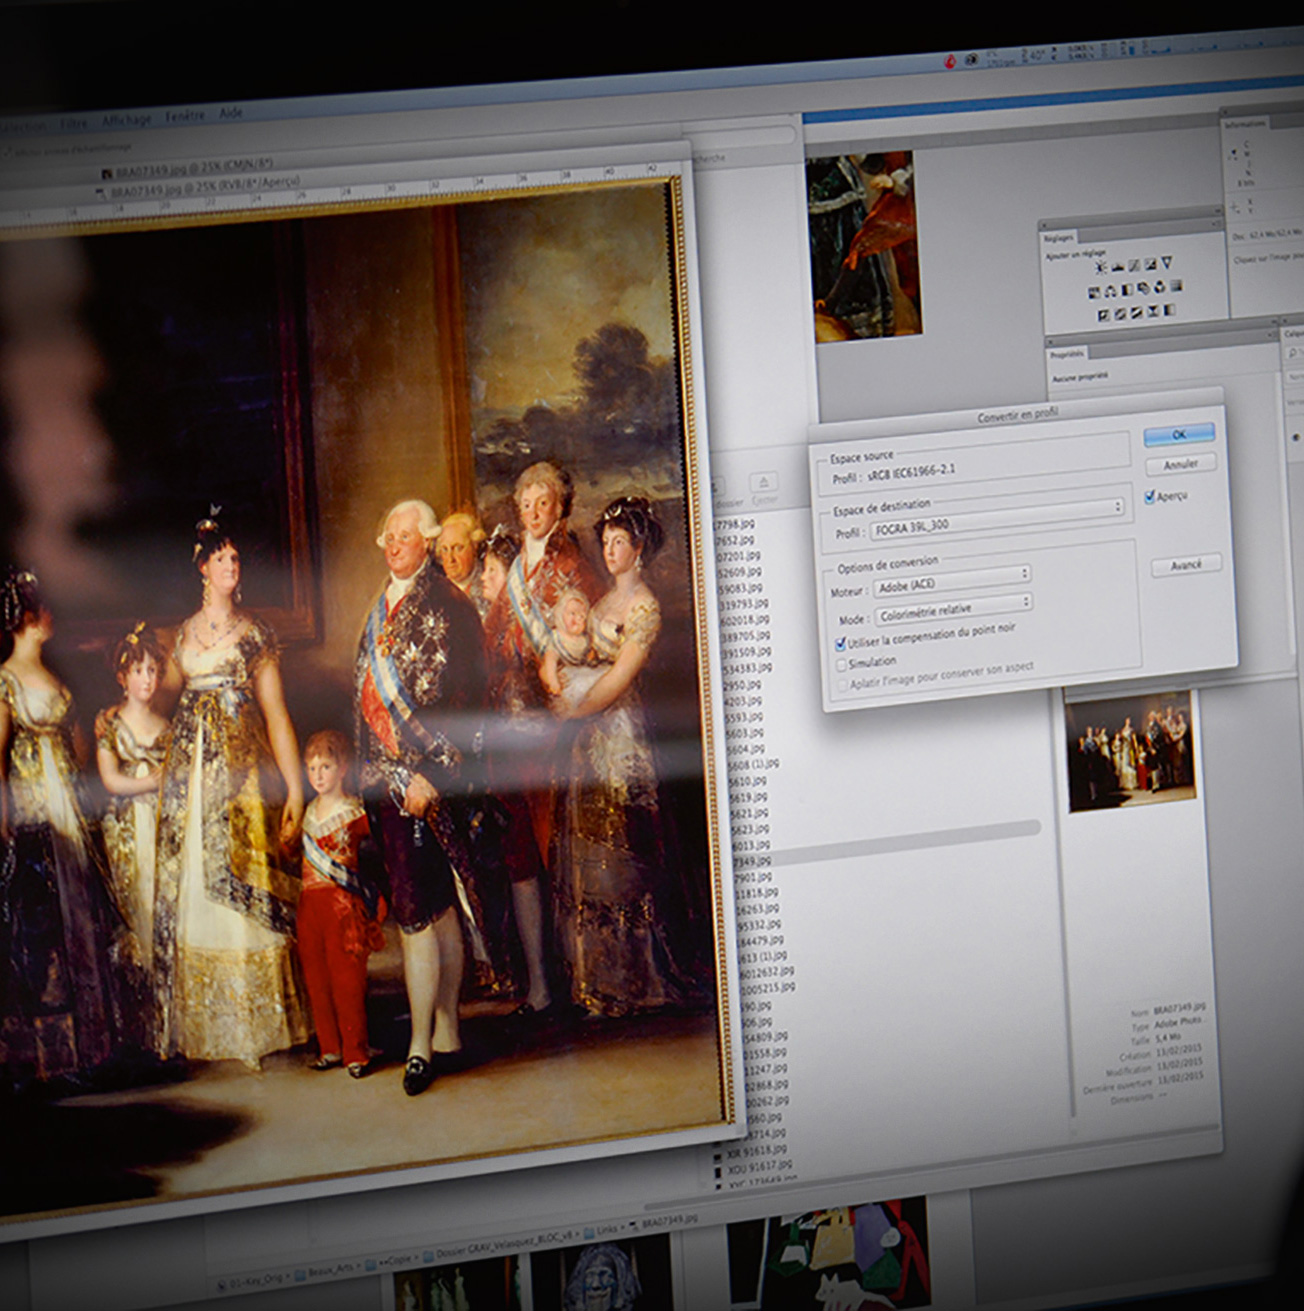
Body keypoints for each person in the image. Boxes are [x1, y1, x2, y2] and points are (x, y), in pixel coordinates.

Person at [153, 516, 308, 1069]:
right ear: (202, 568)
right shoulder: (182, 635)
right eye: (221, 559)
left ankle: (256, 1028)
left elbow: (277, 713)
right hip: (191, 776)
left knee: (247, 876)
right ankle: (205, 1031)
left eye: (236, 559)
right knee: (196, 882)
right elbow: (162, 699)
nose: (231, 566)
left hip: (243, 778)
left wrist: (296, 789)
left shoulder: (256, 632)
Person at [354, 499, 486, 1095]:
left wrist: (432, 775)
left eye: (405, 536)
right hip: (387, 781)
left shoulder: (451, 606)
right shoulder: (379, 605)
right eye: (389, 535)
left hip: (431, 779)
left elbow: (467, 701)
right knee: (427, 906)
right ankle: (445, 1032)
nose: (394, 545)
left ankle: (423, 1044)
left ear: (427, 542)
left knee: (424, 909)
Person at [550, 496, 690, 1017]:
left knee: (622, 845)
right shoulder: (603, 599)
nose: (609, 551)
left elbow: (621, 674)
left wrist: (576, 710)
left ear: (639, 549)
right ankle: (593, 979)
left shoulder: (644, 607)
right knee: (588, 842)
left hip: (621, 733)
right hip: (589, 732)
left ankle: (631, 980)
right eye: (605, 542)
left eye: (618, 542)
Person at [482, 462, 599, 1016]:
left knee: (555, 841)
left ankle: (573, 979)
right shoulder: (512, 570)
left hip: (555, 725)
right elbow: (491, 639)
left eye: (543, 502)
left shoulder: (572, 564)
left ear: (560, 508)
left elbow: (586, 643)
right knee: (519, 847)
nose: (532, 512)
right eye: (525, 503)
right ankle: (537, 983)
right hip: (510, 723)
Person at [1, 566, 121, 1087]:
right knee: (42, 922)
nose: (52, 615)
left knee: (80, 912)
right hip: (33, 809)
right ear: (28, 616)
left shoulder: (55, 675)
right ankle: (50, 1056)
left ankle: (90, 1048)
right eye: (44, 608)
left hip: (68, 800)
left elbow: (77, 748)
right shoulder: (5, 680)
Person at [297, 730, 384, 1078]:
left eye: (326, 767)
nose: (318, 776)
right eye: (311, 768)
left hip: (342, 907)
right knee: (317, 979)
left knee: (347, 980)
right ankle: (329, 1047)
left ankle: (356, 1052)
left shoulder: (355, 812)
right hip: (309, 907)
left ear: (343, 768)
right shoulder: (307, 812)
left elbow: (377, 858)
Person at [96, 622, 170, 976]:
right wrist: (145, 784)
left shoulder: (166, 727)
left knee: (160, 887)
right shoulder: (111, 726)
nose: (147, 679)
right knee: (133, 889)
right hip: (125, 824)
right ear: (122, 678)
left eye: (152, 671)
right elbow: (110, 780)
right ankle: (138, 966)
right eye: (138, 671)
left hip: (158, 822)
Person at [436, 509, 489, 617]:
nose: (450, 559)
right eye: (445, 549)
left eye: (458, 548)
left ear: (474, 546)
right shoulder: (435, 592)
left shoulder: (489, 586)